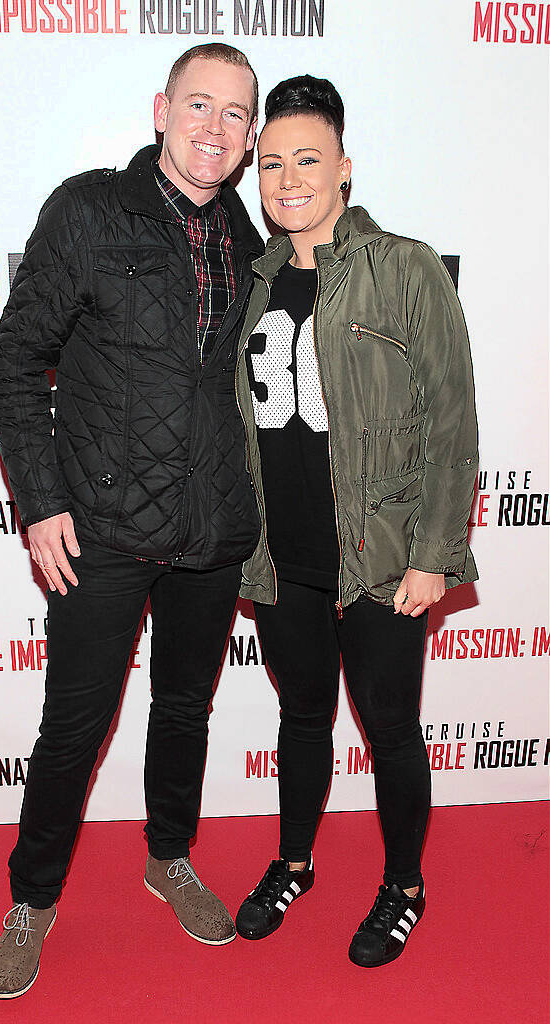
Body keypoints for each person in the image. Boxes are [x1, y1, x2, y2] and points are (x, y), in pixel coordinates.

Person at [0, 43, 262, 999]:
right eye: (198, 105)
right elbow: (17, 358)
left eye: (235, 114)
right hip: (100, 523)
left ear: (249, 134)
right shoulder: (90, 209)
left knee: (185, 708)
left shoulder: (246, 237)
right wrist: (41, 497)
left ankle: (167, 857)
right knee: (74, 723)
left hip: (210, 522)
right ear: (159, 108)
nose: (214, 130)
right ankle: (31, 900)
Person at [233, 76, 478, 967]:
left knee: (389, 726)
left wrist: (432, 556)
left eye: (307, 159)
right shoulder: (253, 281)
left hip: (379, 561)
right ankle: (293, 862)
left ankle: (404, 885)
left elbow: (451, 420)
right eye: (270, 163)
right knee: (302, 718)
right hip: (283, 560)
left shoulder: (404, 267)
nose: (287, 178)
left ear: (344, 168)